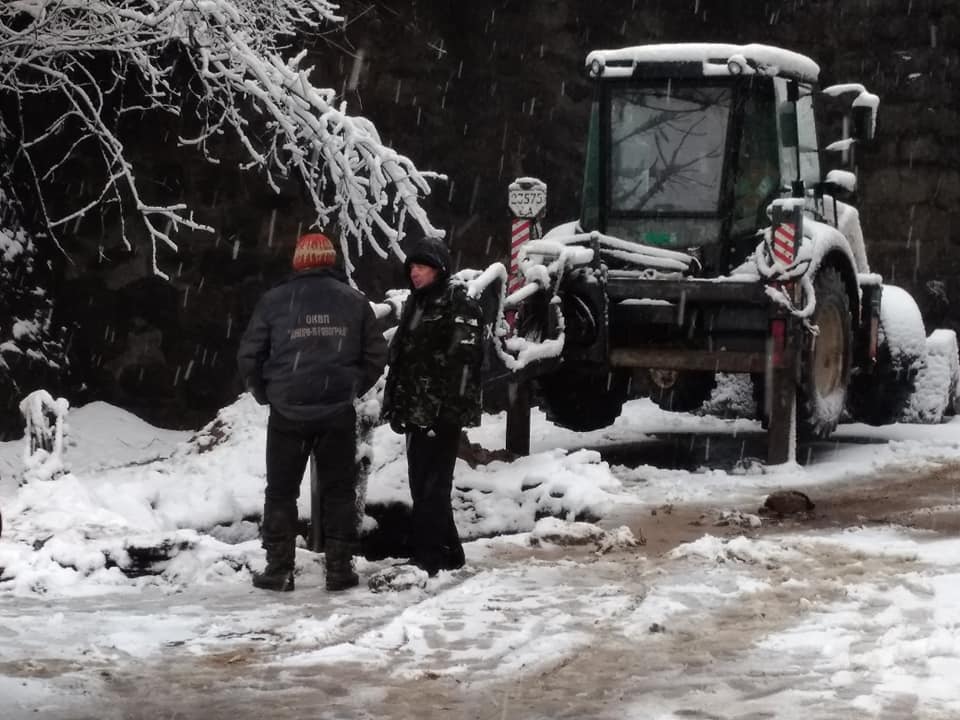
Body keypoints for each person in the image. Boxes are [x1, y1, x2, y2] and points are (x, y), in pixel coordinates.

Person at [237, 232, 387, 592]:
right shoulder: (354, 302)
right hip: (336, 413)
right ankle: (339, 569)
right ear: (330, 260)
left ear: (298, 261)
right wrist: (350, 389)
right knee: (338, 491)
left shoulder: (274, 301)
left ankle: (279, 569)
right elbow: (377, 355)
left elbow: (249, 356)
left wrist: (266, 393)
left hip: (287, 413)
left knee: (281, 492)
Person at [381, 236, 485, 576]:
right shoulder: (418, 303)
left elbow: (464, 362)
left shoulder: (458, 305)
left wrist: (443, 410)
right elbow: (406, 357)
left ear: (439, 270)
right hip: (416, 410)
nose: (414, 273)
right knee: (424, 483)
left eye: (421, 267)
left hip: (439, 413)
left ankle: (427, 557)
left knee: (432, 485)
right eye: (412, 267)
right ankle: (449, 552)